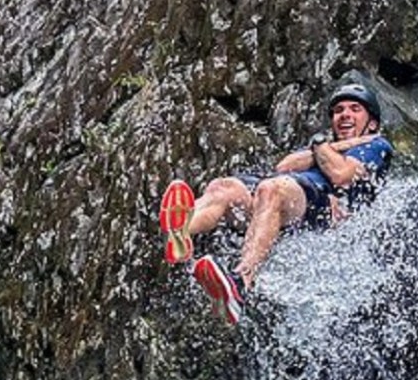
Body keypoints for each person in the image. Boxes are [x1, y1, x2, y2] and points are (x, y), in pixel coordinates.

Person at [158, 82, 394, 325]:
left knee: (272, 189)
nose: (344, 114)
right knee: (223, 188)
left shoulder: (375, 146)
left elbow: (341, 175)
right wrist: (332, 145)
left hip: (321, 209)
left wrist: (323, 147)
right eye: (339, 110)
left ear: (372, 124)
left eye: (355, 109)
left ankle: (241, 284)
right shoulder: (323, 147)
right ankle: (180, 231)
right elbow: (284, 166)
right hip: (281, 201)